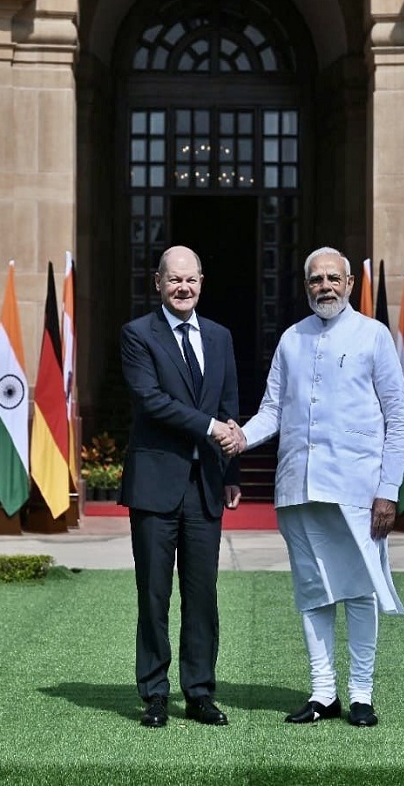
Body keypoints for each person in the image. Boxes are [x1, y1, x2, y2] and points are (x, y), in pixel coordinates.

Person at [226, 246, 404, 727]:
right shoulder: (291, 339)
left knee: (359, 591)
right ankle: (323, 692)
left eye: (333, 278)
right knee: (313, 591)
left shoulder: (373, 336)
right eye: (315, 279)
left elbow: (398, 418)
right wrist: (243, 436)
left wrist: (388, 489)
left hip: (357, 489)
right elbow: (273, 409)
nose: (324, 286)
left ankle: (362, 693)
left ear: (350, 284)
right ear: (305, 285)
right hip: (299, 488)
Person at [119, 245, 242, 728]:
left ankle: (200, 693)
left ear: (201, 282)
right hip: (155, 485)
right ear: (158, 282)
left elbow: (229, 403)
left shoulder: (220, 337)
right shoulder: (137, 336)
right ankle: (153, 693)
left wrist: (230, 472)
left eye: (191, 280)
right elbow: (151, 401)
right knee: (152, 594)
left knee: (202, 595)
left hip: (205, 486)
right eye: (174, 280)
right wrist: (212, 427)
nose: (183, 288)